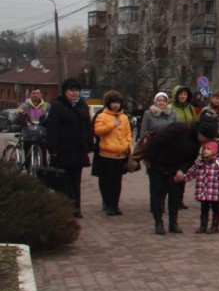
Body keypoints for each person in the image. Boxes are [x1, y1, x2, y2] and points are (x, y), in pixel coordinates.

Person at [144, 119, 218, 234]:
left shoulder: (198, 143)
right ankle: (158, 223)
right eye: (206, 139)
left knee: (174, 195)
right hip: (157, 164)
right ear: (200, 133)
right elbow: (157, 140)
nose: (205, 143)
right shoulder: (181, 128)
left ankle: (173, 223)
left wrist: (181, 170)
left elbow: (190, 159)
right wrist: (148, 158)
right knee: (157, 194)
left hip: (174, 168)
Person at [45, 78, 92, 218]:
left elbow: (87, 126)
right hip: (63, 150)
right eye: (71, 90)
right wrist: (52, 148)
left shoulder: (82, 105)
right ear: (65, 91)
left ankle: (76, 207)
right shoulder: (58, 106)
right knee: (64, 181)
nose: (74, 93)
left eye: (77, 90)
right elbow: (52, 128)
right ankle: (65, 208)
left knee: (76, 180)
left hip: (78, 150)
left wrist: (89, 144)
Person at [92, 90, 133, 216]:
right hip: (107, 154)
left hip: (120, 154)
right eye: (113, 102)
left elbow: (128, 133)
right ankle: (108, 204)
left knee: (117, 181)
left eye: (118, 102)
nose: (116, 105)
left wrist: (127, 145)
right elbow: (98, 131)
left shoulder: (124, 117)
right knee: (107, 181)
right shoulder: (101, 116)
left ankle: (115, 205)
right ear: (108, 103)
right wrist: (112, 125)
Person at [181, 141, 219, 234]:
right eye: (204, 149)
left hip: (214, 192)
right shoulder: (199, 164)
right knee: (204, 209)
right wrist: (183, 178)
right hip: (203, 191)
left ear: (214, 151)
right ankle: (203, 226)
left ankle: (215, 226)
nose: (205, 151)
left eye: (208, 149)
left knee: (216, 209)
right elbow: (191, 173)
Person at [170, 86, 198, 210]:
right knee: (173, 173)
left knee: (184, 173)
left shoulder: (190, 108)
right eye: (180, 94)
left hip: (188, 144)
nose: (182, 96)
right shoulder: (170, 108)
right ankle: (173, 199)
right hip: (174, 144)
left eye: (185, 94)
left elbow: (194, 123)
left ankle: (180, 199)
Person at [16, 87, 49, 162]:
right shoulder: (24, 106)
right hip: (28, 134)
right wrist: (20, 115)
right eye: (34, 93)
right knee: (28, 153)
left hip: (42, 134)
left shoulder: (46, 106)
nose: (36, 95)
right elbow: (17, 119)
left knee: (43, 154)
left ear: (41, 95)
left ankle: (42, 169)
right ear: (30, 95)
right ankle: (28, 169)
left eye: (38, 93)